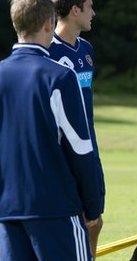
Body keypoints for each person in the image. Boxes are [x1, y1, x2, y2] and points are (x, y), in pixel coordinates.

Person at [0, 0, 103, 260]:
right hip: (56, 208)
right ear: (48, 24)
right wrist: (93, 206)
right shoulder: (59, 76)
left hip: (7, 211)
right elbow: (79, 148)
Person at [48, 0, 104, 256]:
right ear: (75, 10)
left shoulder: (87, 50)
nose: (93, 13)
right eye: (89, 6)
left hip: (89, 149)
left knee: (95, 220)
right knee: (71, 224)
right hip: (62, 155)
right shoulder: (48, 50)